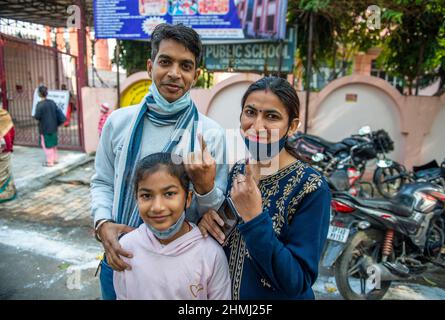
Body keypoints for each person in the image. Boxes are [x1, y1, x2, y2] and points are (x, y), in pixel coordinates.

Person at [91, 23, 228, 300]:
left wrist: (204, 188)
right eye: (166, 62)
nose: (174, 74)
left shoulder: (210, 134)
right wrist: (102, 223)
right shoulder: (119, 123)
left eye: (185, 66)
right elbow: (102, 181)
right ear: (150, 65)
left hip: (182, 269)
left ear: (196, 74)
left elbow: (215, 214)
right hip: (121, 256)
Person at [198, 77, 331, 300]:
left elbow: (297, 281)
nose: (257, 126)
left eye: (272, 116)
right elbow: (224, 240)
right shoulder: (238, 171)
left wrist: (254, 217)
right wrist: (209, 222)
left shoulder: (311, 187)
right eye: (250, 112)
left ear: (292, 126)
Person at [113, 152, 231, 299]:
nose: (157, 207)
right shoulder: (126, 247)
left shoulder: (210, 254)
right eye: (146, 196)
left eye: (169, 194)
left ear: (188, 199)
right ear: (136, 199)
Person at [33, 85, 66, 167]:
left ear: (39, 94)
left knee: (47, 145)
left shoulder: (39, 105)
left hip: (45, 128)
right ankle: (55, 160)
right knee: (53, 144)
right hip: (54, 127)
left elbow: (37, 116)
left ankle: (50, 162)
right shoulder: (52, 102)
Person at [0, 108, 17, 203]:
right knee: (4, 172)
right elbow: (12, 131)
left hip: (4, 150)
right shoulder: (5, 115)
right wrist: (11, 145)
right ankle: (7, 193)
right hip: (5, 149)